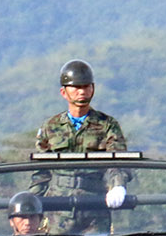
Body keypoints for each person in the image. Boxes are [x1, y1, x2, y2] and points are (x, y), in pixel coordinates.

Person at [33, 59, 129, 208]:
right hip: (58, 207)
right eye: (76, 87)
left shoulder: (108, 125)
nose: (82, 92)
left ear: (93, 89)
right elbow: (41, 173)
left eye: (86, 86)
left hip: (94, 205)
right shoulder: (50, 127)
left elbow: (117, 162)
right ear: (64, 92)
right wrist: (31, 206)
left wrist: (117, 186)